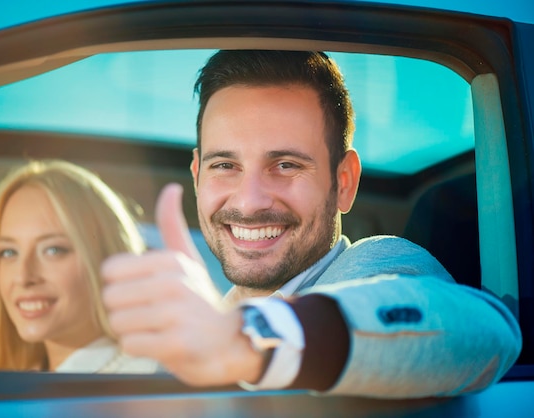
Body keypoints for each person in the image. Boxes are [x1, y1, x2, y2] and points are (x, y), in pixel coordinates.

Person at [101, 50, 522, 398]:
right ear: (196, 176)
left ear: (344, 182)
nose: (249, 202)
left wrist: (250, 339)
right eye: (225, 165)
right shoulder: (204, 324)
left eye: (285, 165)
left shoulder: (376, 264)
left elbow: (488, 331)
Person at [0, 159, 157, 373]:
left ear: (107, 260)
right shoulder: (13, 380)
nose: (23, 277)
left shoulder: (146, 376)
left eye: (53, 250)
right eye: (9, 252)